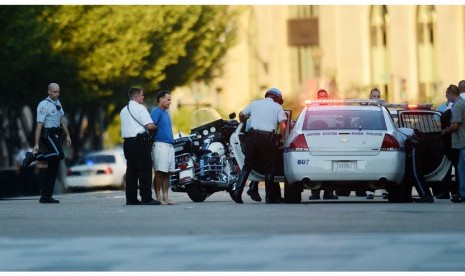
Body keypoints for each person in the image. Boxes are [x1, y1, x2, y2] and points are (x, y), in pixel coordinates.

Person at [231, 87, 287, 204]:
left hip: (252, 137)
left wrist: (245, 118)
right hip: (267, 139)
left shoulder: (255, 104)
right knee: (269, 168)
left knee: (247, 166)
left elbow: (241, 115)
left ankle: (237, 193)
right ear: (277, 98)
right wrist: (283, 138)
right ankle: (269, 197)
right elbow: (283, 125)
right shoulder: (277, 107)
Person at [21, 83, 72, 203]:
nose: (57, 94)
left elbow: (61, 119)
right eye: (55, 92)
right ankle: (34, 156)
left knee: (54, 166)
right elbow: (39, 125)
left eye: (58, 91)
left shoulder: (57, 103)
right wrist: (36, 143)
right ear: (49, 91)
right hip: (47, 134)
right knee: (59, 154)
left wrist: (68, 134)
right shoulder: (43, 105)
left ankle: (46, 195)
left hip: (55, 135)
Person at [120, 87, 160, 206]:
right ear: (136, 97)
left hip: (127, 143)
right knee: (145, 170)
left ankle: (131, 199)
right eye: (142, 95)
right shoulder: (140, 108)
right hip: (139, 143)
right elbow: (149, 126)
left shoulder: (123, 110)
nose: (143, 97)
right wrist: (156, 126)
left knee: (131, 171)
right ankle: (146, 198)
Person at [309, 89, 338, 200]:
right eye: (320, 97)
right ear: (317, 97)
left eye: (325, 96)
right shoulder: (312, 108)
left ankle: (329, 193)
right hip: (315, 143)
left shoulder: (332, 109)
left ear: (327, 97)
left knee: (330, 168)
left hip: (330, 143)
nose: (323, 99)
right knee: (316, 168)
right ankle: (315, 193)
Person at [150, 90, 176, 205]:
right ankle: (158, 198)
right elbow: (151, 126)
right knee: (159, 172)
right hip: (160, 145)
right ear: (161, 99)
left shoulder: (166, 112)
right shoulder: (156, 111)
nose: (170, 102)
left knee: (166, 173)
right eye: (168, 99)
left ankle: (166, 197)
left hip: (169, 146)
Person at [441, 84, 465, 203]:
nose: (447, 97)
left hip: (462, 141)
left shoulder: (458, 105)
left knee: (462, 169)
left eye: (447, 94)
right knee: (461, 169)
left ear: (451, 93)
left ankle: (462, 194)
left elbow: (455, 125)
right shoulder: (461, 103)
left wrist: (444, 131)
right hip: (461, 142)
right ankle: (461, 193)